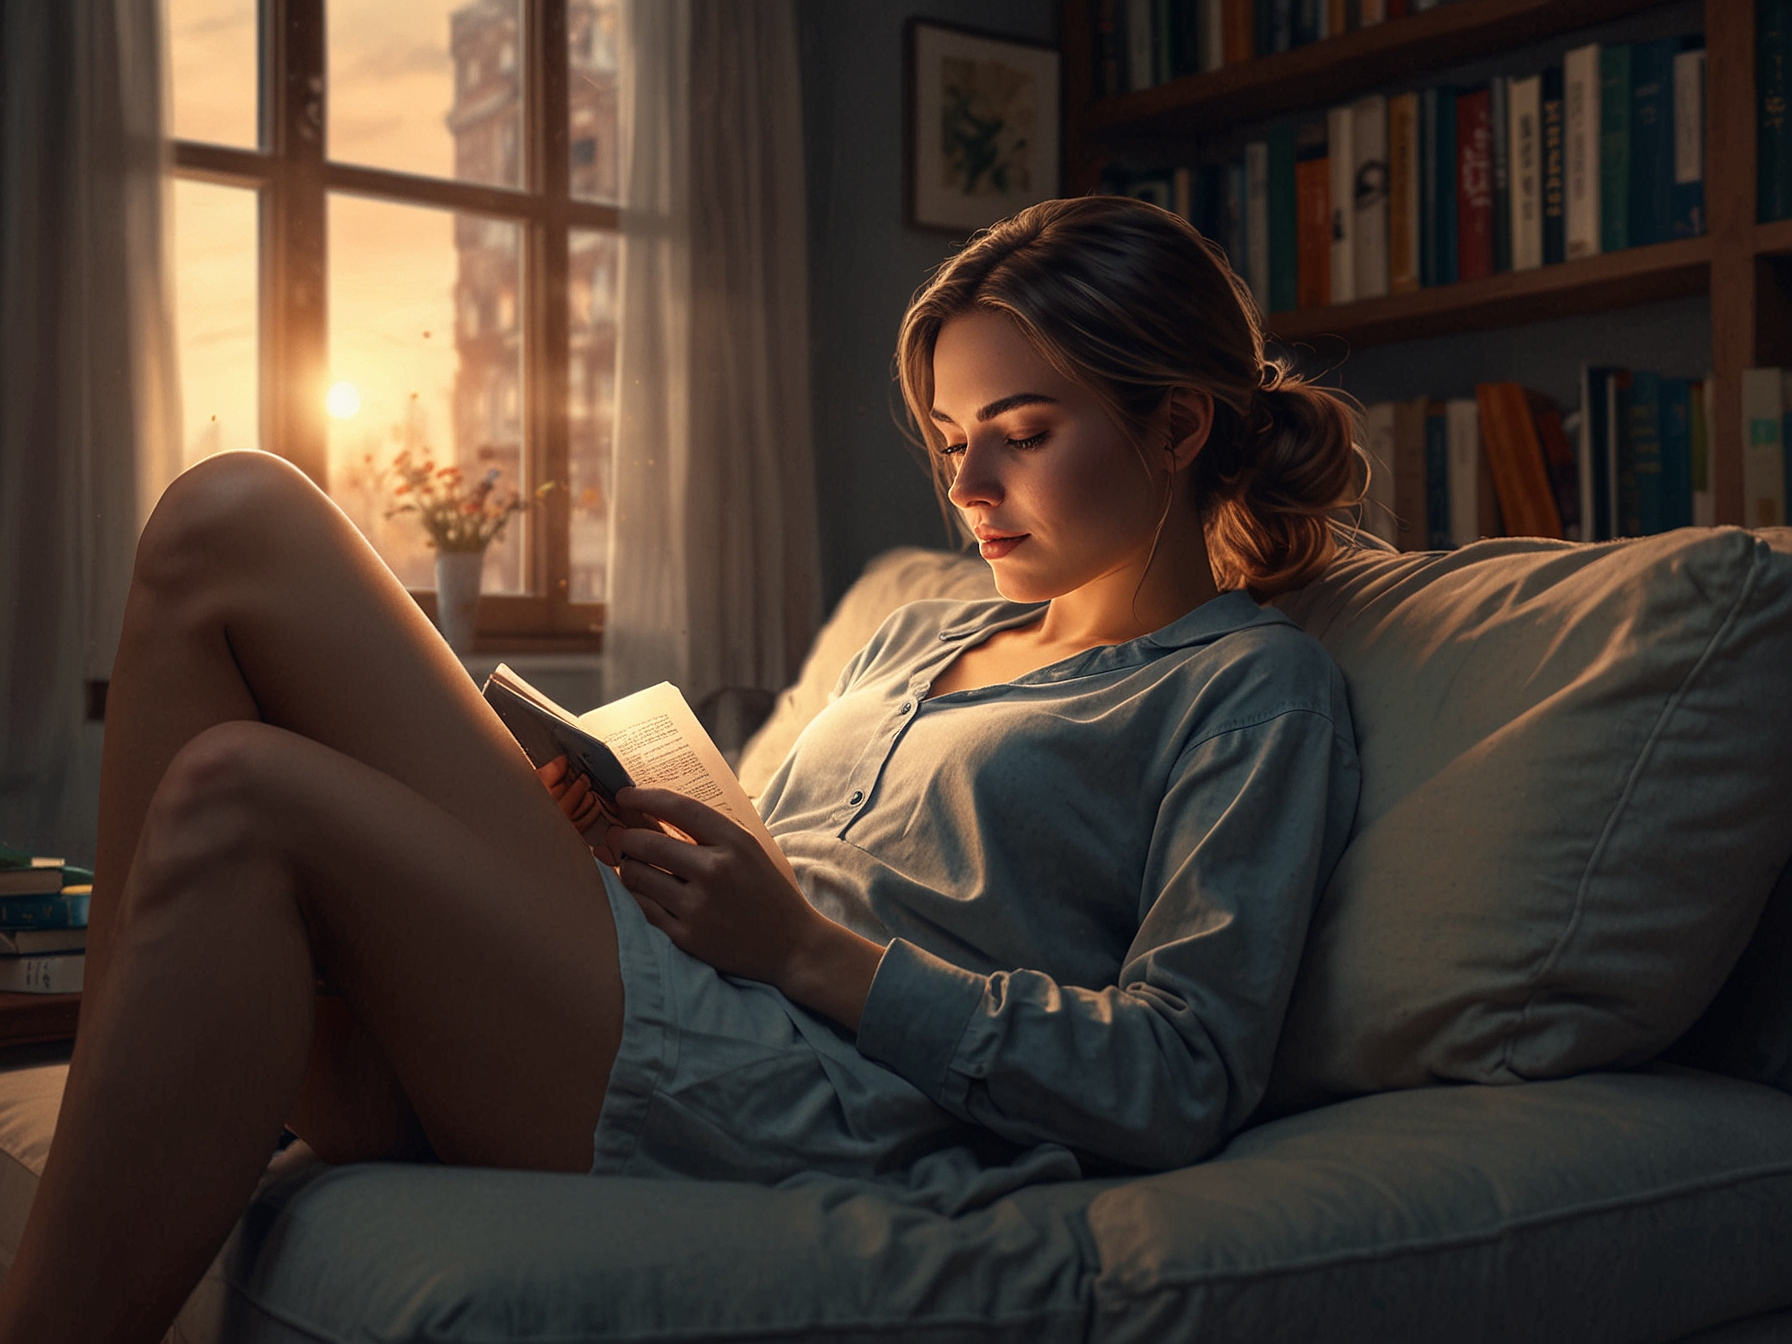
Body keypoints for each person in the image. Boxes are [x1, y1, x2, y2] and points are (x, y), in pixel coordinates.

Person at [0, 194, 1361, 1342]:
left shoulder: (1248, 689)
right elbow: (781, 864)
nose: (968, 486)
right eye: (953, 443)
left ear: (1178, 428)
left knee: (238, 626)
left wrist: (809, 955)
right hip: (668, 989)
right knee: (222, 632)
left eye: (1024, 430)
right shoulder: (921, 630)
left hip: (795, 1091)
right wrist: (608, 841)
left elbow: (1180, 1076)